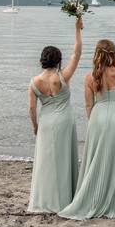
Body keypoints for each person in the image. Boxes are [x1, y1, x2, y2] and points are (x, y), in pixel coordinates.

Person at [58, 3, 115, 219]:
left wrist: (94, 121)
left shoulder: (90, 77)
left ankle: (94, 195)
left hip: (99, 118)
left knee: (97, 158)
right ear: (113, 53)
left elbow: (88, 105)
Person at [27, 15, 84, 212]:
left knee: (45, 161)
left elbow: (32, 109)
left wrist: (35, 126)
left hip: (46, 122)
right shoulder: (63, 76)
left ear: (41, 61)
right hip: (65, 121)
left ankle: (45, 201)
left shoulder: (34, 82)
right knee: (64, 160)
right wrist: (77, 29)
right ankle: (65, 200)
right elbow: (77, 54)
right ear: (59, 60)